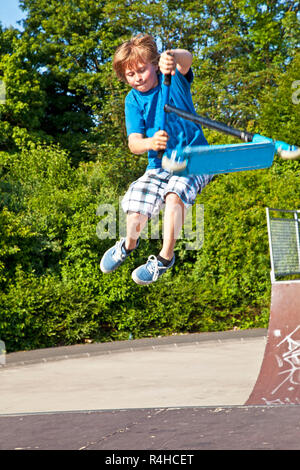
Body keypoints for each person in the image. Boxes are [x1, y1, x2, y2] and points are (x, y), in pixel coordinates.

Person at [100, 34, 213, 285]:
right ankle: (128, 245)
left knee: (175, 196)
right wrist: (150, 143)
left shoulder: (172, 79)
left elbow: (188, 59)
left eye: (142, 70)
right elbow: (134, 143)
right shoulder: (132, 100)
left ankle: (164, 259)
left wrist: (170, 56)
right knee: (137, 203)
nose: (137, 78)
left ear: (154, 64)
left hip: (195, 159)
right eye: (130, 75)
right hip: (158, 165)